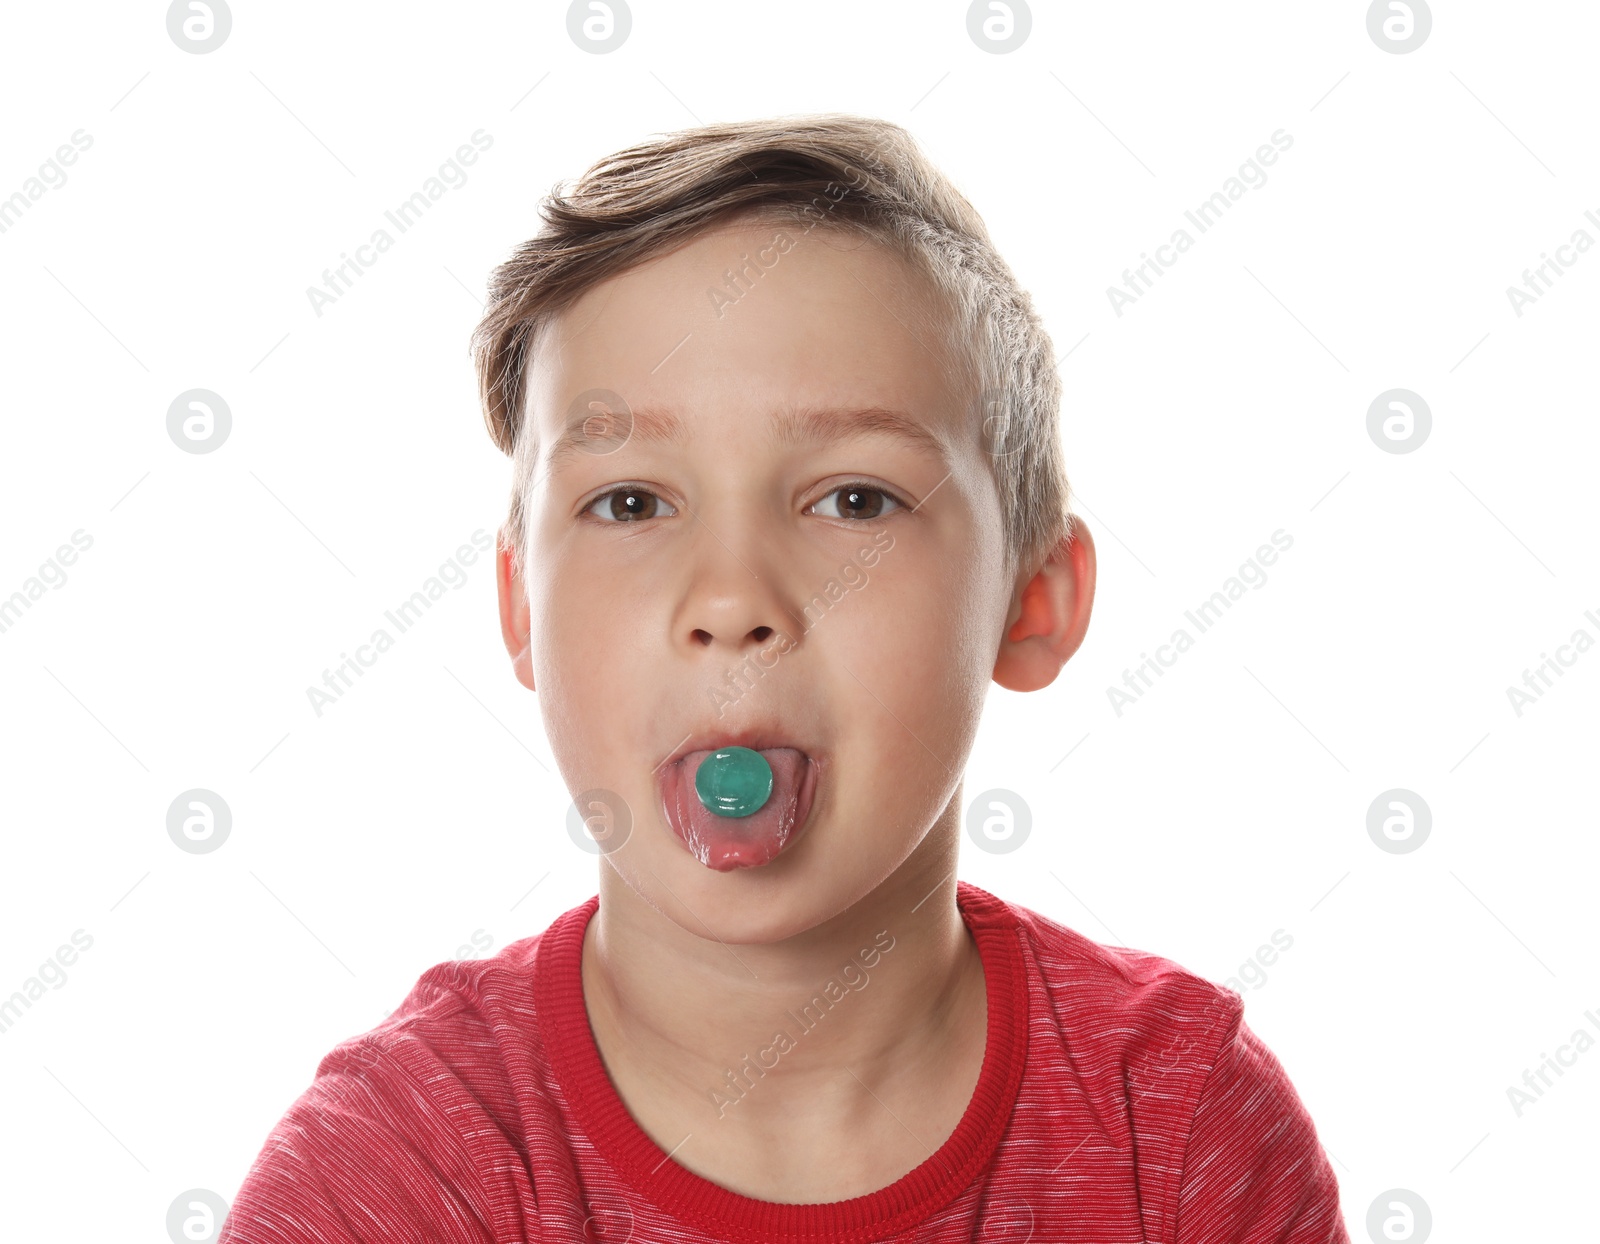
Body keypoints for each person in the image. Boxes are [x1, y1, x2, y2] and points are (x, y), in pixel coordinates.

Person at [217, 112, 1349, 1243]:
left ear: (1032, 599)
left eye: (853, 499)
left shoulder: (1183, 1129)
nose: (730, 600)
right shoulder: (401, 1168)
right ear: (521, 606)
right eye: (630, 502)